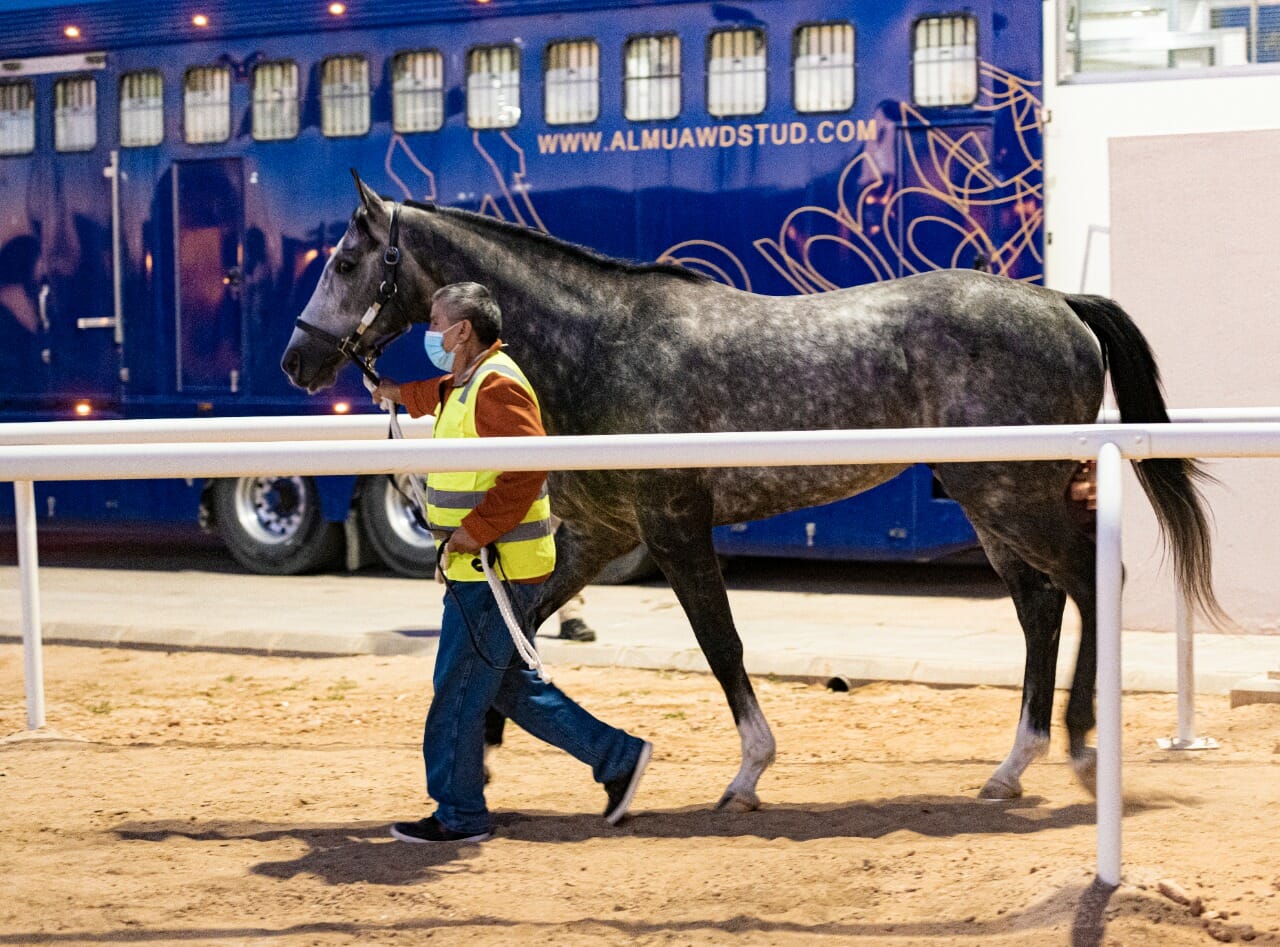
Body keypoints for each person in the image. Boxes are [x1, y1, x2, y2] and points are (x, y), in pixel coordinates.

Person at [371, 282, 651, 844]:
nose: (431, 332)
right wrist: (393, 393)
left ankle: (460, 815)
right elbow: (440, 395)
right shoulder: (472, 381)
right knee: (507, 688)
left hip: (493, 572)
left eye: (435, 322)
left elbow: (525, 469)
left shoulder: (495, 384)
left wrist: (470, 535)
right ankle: (618, 757)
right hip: (492, 569)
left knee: (455, 690)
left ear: (463, 331)